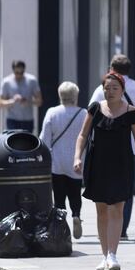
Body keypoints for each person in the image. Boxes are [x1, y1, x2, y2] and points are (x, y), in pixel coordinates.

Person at [74, 72, 135, 270]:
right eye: (106, 88)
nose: (110, 92)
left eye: (114, 88)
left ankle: (113, 254)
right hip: (97, 164)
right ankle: (103, 256)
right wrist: (77, 157)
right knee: (101, 211)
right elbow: (82, 135)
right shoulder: (95, 108)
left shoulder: (131, 112)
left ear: (122, 90)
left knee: (117, 208)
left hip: (122, 165)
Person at [89, 55, 135, 240]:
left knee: (107, 192)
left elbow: (93, 112)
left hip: (107, 149)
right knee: (126, 191)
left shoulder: (102, 89)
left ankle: (111, 228)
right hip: (133, 149)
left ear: (112, 68)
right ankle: (122, 229)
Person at [40, 82, 86, 240]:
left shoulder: (52, 113)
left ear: (60, 95)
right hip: (76, 161)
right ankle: (76, 215)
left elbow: (44, 139)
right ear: (75, 96)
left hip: (57, 162)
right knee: (75, 193)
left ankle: (61, 225)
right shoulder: (83, 113)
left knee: (59, 196)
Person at [0, 60, 42, 133]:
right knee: (13, 143)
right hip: (12, 120)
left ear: (24, 71)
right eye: (16, 73)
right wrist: (12, 101)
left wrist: (28, 102)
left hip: (27, 120)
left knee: (28, 143)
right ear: (13, 71)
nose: (19, 75)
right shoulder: (6, 82)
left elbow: (39, 101)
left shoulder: (32, 80)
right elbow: (0, 102)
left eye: (21, 73)